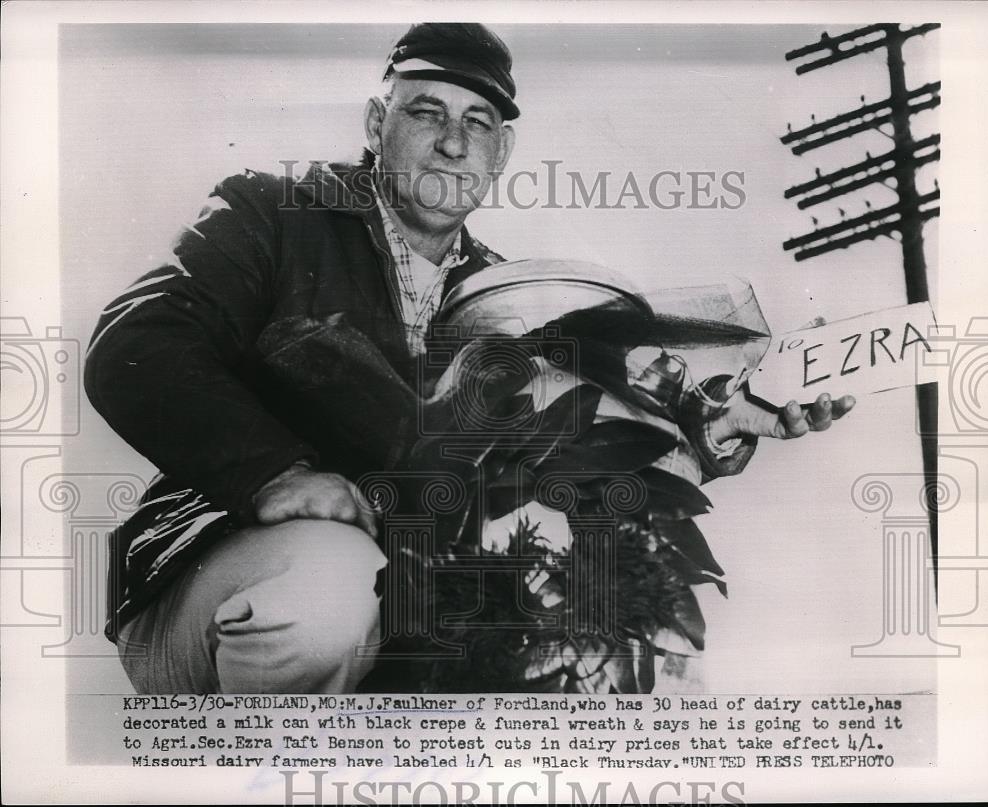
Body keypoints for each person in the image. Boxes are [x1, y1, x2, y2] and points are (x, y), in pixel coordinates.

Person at [85, 22, 854, 694]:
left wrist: (721, 421)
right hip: (219, 580)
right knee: (331, 582)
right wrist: (271, 473)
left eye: (478, 122)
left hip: (410, 609)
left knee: (616, 634)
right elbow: (134, 345)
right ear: (375, 121)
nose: (453, 141)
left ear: (502, 151)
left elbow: (607, 427)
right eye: (427, 112)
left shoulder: (513, 298)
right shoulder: (273, 212)